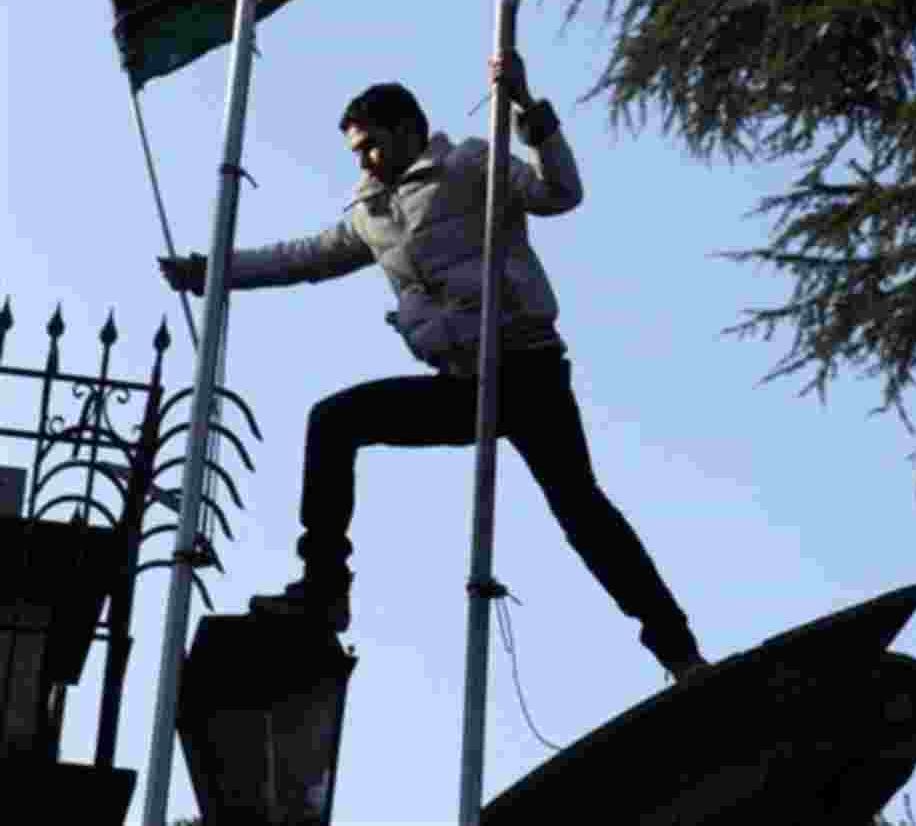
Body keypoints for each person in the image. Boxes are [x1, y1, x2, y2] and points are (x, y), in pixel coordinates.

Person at [159, 50, 706, 681]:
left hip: (527, 373)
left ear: (406, 130)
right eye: (355, 152)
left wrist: (530, 109)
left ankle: (678, 651)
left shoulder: (469, 164)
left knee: (581, 512)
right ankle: (324, 586)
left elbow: (562, 192)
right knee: (335, 421)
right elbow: (301, 258)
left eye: (369, 146)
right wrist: (213, 271)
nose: (363, 161)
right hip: (464, 387)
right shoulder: (371, 214)